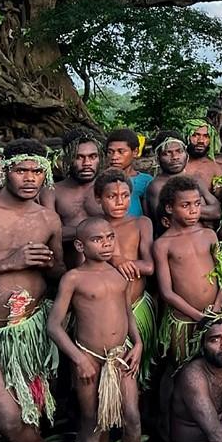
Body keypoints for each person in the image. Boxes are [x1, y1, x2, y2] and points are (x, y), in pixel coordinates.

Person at [0, 141, 69, 442]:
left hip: (32, 329)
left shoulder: (47, 218)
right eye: (20, 170)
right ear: (5, 170)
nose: (29, 178)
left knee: (30, 411)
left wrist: (52, 265)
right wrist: (7, 263)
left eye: (37, 171)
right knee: (5, 416)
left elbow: (58, 271)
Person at [46, 218, 153, 442]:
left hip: (120, 356)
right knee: (92, 422)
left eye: (109, 238)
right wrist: (78, 358)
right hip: (89, 358)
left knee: (133, 417)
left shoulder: (121, 275)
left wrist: (138, 343)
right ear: (80, 245)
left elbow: (127, 313)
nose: (106, 244)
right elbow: (54, 326)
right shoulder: (74, 278)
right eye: (97, 239)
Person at [153, 175, 222, 365]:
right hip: (185, 321)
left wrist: (217, 308)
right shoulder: (163, 244)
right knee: (181, 368)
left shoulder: (209, 235)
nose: (194, 211)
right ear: (170, 208)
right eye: (185, 205)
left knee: (217, 365)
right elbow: (166, 292)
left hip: (216, 314)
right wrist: (198, 317)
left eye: (197, 204)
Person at [94, 169, 157, 387]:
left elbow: (149, 265)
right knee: (107, 375)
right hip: (104, 313)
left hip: (137, 306)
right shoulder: (92, 228)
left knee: (137, 373)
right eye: (112, 197)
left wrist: (121, 262)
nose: (120, 202)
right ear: (98, 199)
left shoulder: (142, 223)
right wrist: (116, 260)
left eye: (125, 196)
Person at [51, 130, 104, 268]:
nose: (87, 163)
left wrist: (71, 231)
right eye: (79, 157)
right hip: (67, 268)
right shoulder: (51, 192)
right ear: (68, 158)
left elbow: (121, 226)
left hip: (108, 268)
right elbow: (51, 234)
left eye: (93, 156)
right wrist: (95, 231)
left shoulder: (110, 188)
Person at [145, 133, 219, 224]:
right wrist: (202, 211)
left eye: (179, 151)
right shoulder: (156, 186)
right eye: (167, 153)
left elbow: (217, 211)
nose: (175, 157)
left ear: (186, 154)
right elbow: (165, 220)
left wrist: (182, 209)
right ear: (158, 158)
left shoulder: (196, 180)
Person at [106, 129, 152, 218]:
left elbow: (149, 216)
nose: (114, 157)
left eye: (121, 152)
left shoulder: (145, 181)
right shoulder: (101, 181)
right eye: (110, 152)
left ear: (135, 152)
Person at [183, 119, 222, 193]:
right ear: (187, 136)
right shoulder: (176, 165)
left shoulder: (214, 167)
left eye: (206, 136)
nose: (201, 141)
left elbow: (221, 194)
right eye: (195, 135)